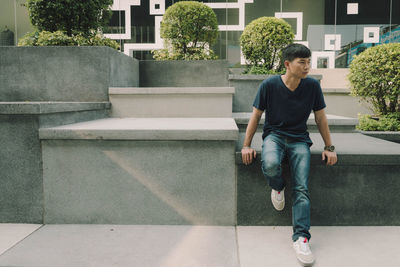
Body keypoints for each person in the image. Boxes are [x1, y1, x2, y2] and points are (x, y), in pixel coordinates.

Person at [241, 43, 337, 266]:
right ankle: (277, 186)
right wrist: (246, 145)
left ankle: (301, 237)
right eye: (301, 62)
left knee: (302, 187)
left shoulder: (312, 86)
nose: (307, 67)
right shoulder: (269, 85)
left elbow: (321, 118)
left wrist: (329, 147)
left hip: (299, 140)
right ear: (287, 64)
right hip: (274, 136)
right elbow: (255, 116)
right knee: (272, 164)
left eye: (308, 62)